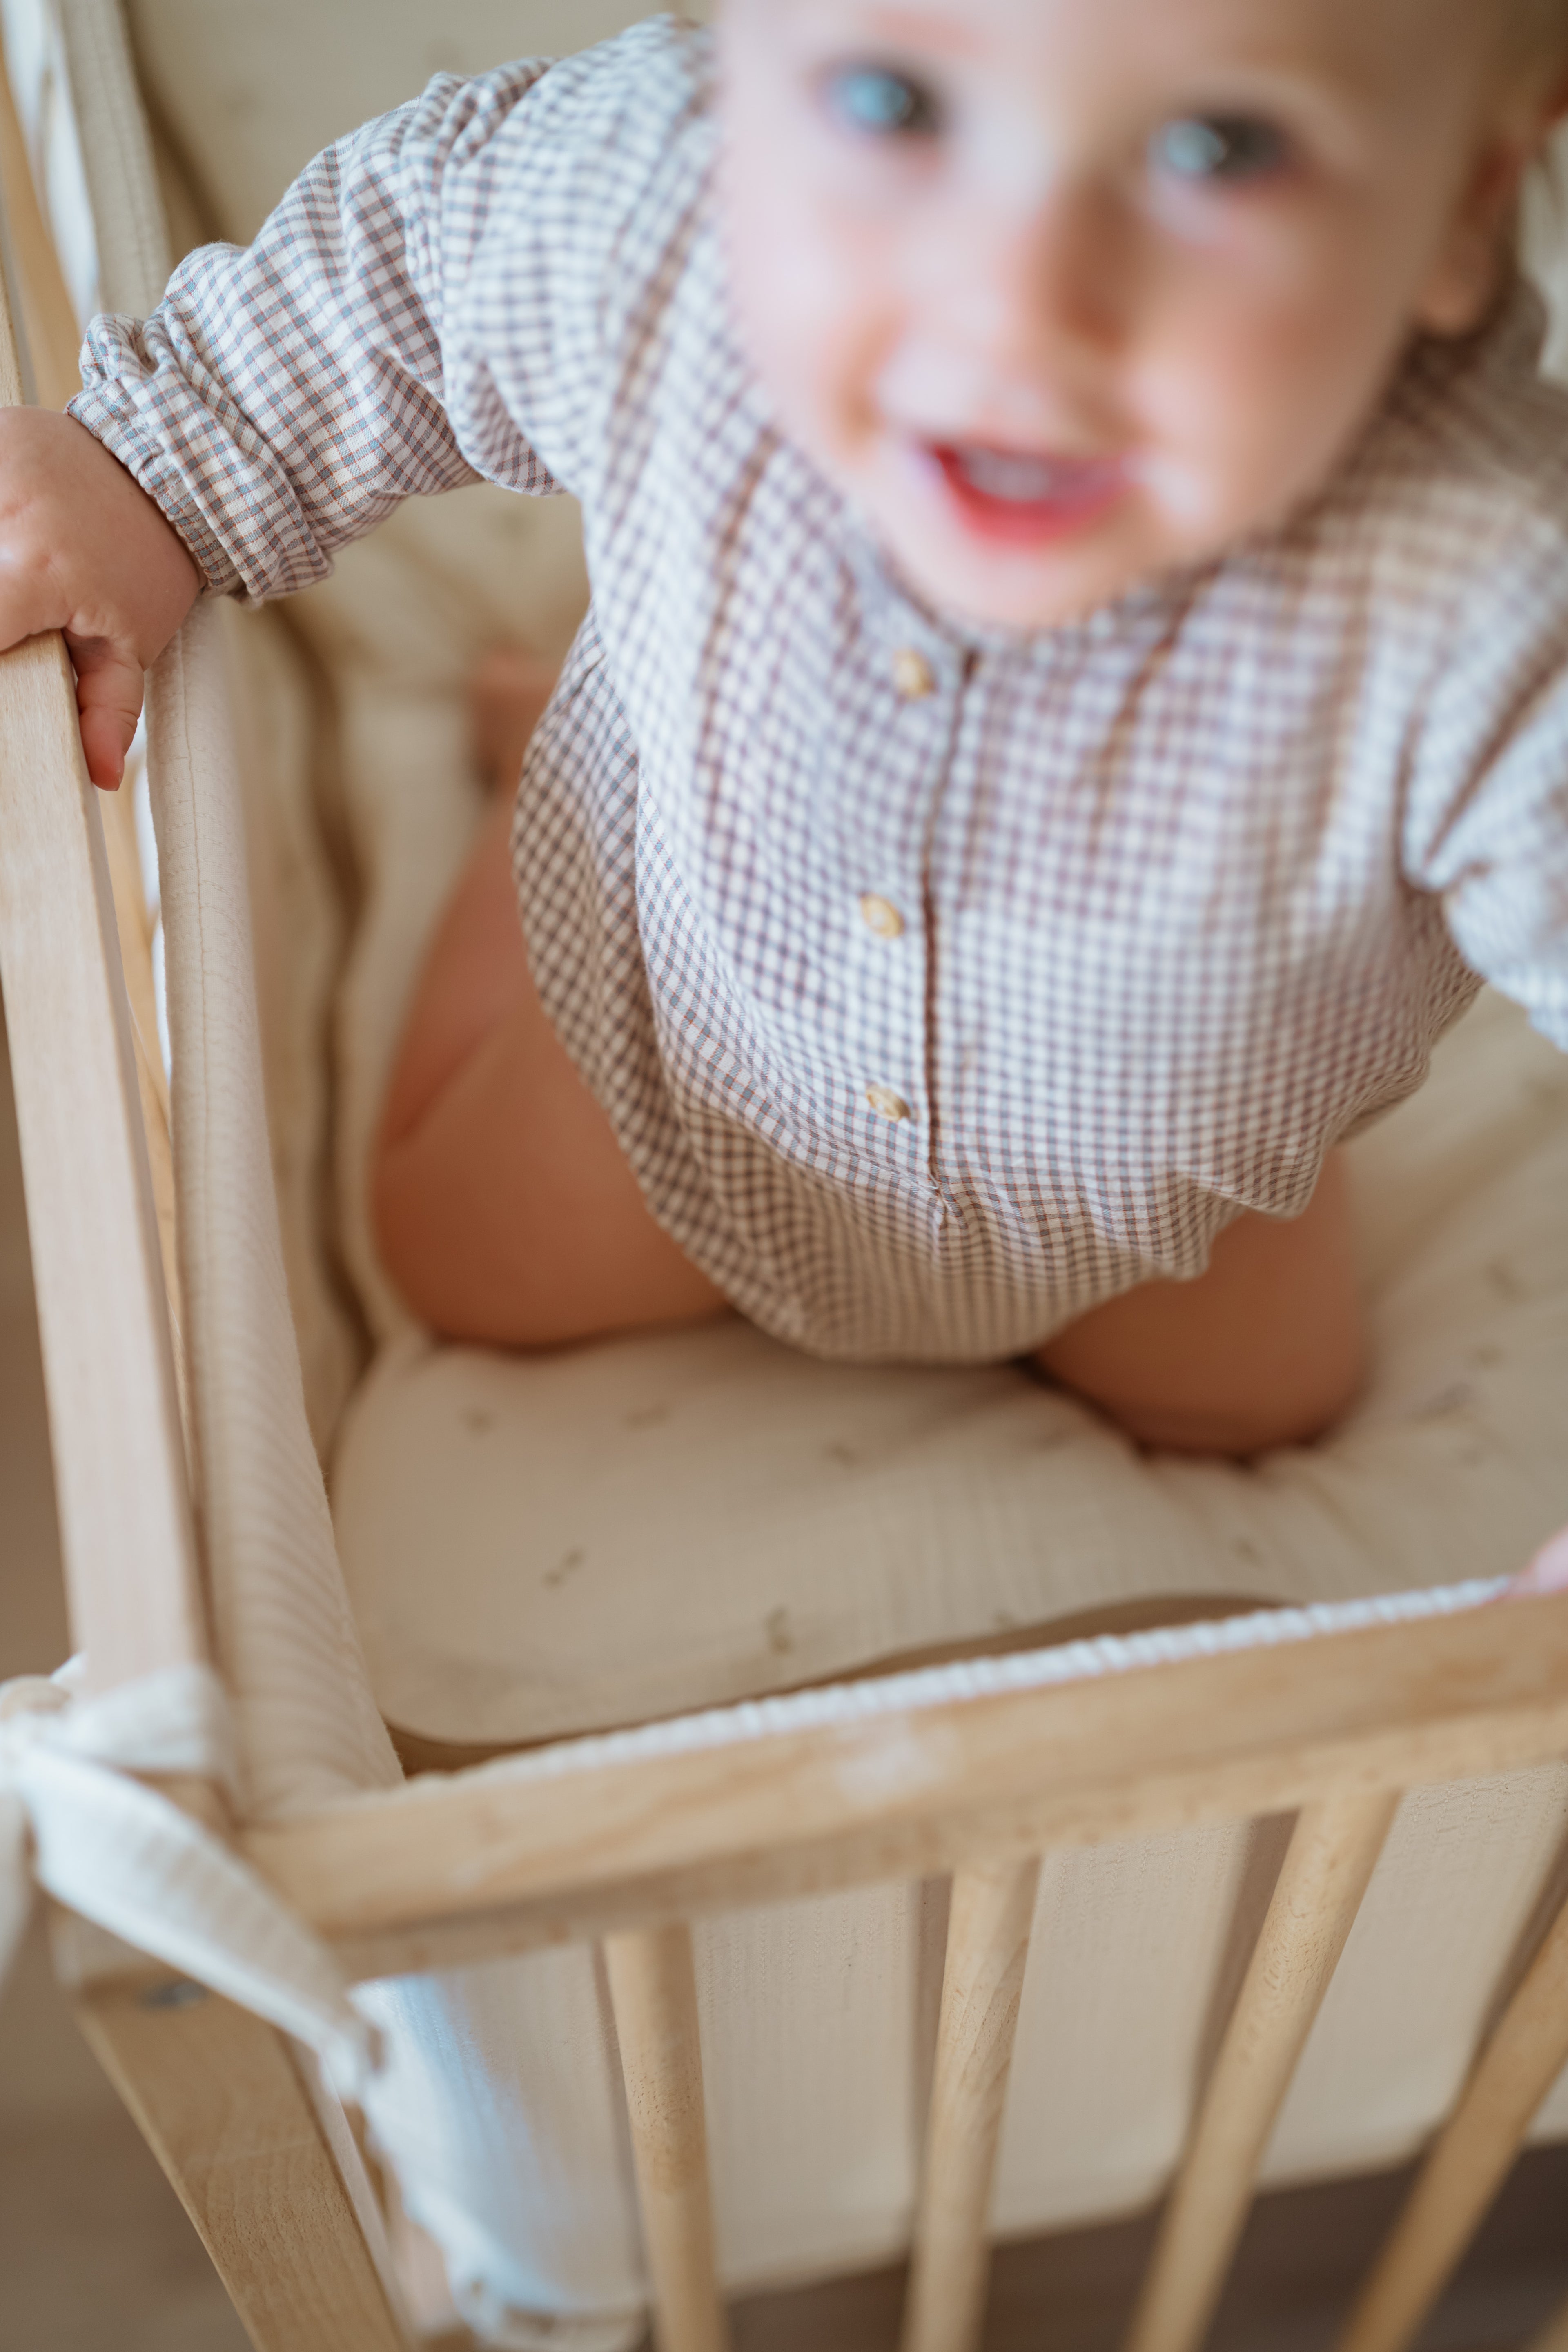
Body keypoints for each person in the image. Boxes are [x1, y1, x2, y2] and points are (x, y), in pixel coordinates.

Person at [0, 1, 1565, 1578]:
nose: (1018, 301)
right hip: (686, 1070)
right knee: (450, 1252)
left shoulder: (1494, 597)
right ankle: (540, 781)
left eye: (1221, 148)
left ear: (1473, 196)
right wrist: (151, 476)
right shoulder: (669, 224)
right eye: (893, 101)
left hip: (1155, 1213)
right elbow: (407, 276)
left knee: (1265, 1415)